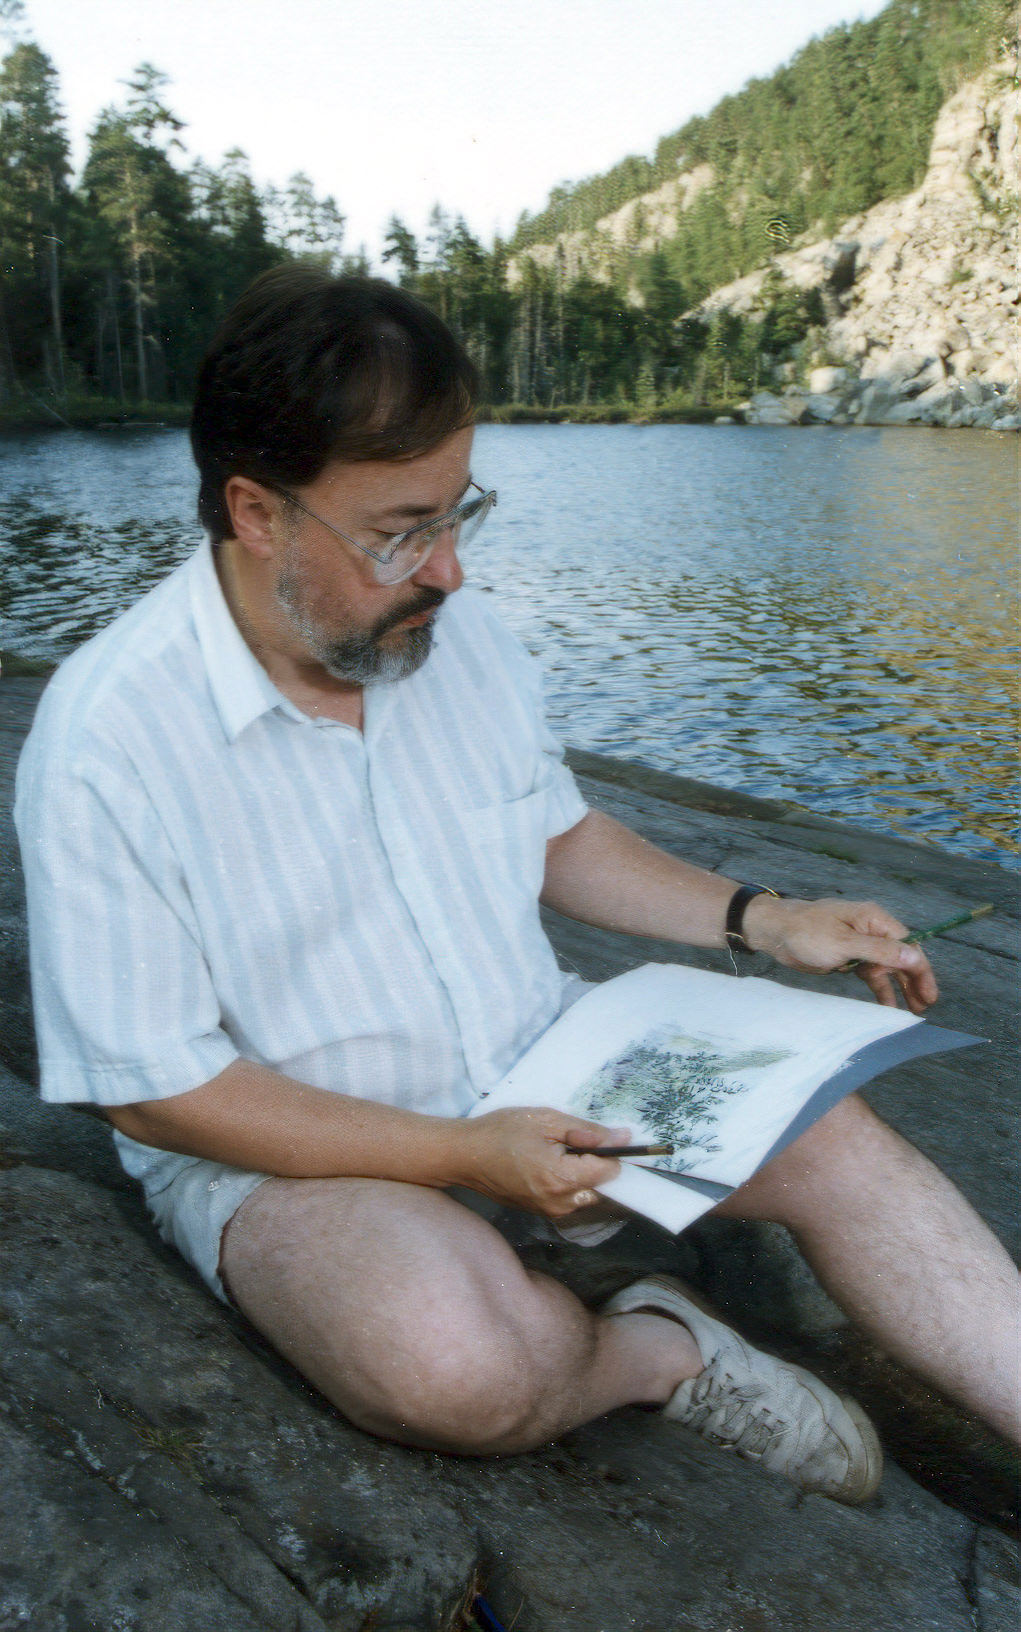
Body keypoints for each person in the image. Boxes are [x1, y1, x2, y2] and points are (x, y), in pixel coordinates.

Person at [15, 267, 1019, 1507]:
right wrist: (460, 1154)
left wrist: (763, 919)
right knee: (450, 1366)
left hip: (548, 1061)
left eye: (459, 516)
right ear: (256, 511)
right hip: (307, 1156)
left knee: (839, 1144)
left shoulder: (449, 636)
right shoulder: (109, 740)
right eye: (400, 531)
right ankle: (654, 1350)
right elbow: (158, 1092)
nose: (449, 572)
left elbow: (558, 837)